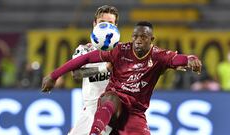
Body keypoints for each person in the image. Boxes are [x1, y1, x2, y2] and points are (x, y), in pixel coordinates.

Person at [42, 21, 202, 135]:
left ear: (151, 40)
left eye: (143, 37)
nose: (138, 40)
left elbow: (177, 59)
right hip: (112, 104)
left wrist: (190, 58)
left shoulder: (159, 56)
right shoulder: (120, 50)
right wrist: (54, 75)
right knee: (110, 98)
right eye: (135, 36)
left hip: (135, 114)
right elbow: (86, 59)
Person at [48, 5, 118, 135]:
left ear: (116, 26)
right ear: (94, 24)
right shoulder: (84, 50)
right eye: (102, 23)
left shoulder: (122, 52)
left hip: (114, 112)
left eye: (110, 23)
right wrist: (104, 68)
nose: (107, 27)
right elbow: (76, 73)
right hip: (89, 112)